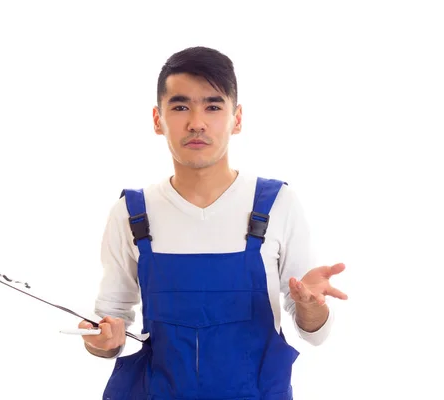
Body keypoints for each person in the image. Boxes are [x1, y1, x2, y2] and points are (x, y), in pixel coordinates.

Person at [77, 46, 348, 400]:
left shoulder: (277, 205)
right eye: (180, 106)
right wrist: (103, 341)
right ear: (158, 120)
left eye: (213, 106)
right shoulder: (131, 214)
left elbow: (314, 332)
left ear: (236, 119)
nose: (197, 123)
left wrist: (312, 309)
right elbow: (109, 324)